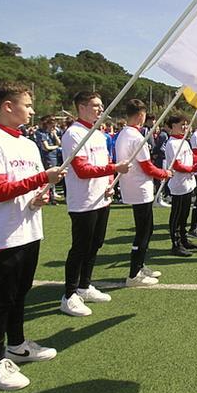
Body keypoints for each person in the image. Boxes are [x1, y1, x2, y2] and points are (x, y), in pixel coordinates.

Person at [0, 82, 65, 391]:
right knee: (1, 298)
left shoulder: (27, 143)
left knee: (21, 291)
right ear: (7, 106)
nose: (32, 110)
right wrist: (43, 179)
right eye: (27, 104)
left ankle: (16, 344)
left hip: (29, 228)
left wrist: (42, 193)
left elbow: (33, 186)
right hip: (5, 233)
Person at [59, 91, 130, 317]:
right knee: (80, 247)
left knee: (96, 244)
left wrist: (111, 181)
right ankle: (69, 295)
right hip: (83, 201)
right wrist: (114, 169)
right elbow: (81, 170)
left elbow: (105, 162)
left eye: (101, 105)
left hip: (102, 198)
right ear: (81, 107)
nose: (101, 109)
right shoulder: (74, 134)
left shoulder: (99, 134)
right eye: (95, 106)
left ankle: (84, 285)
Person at [115, 99, 172, 287]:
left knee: (147, 229)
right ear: (141, 115)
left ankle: (139, 266)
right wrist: (164, 173)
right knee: (143, 231)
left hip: (134, 186)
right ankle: (133, 274)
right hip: (140, 188)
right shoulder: (136, 136)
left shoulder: (124, 133)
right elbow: (147, 166)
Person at [164, 113, 197, 257]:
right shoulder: (172, 143)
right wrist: (191, 169)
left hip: (188, 184)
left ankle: (184, 239)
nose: (185, 127)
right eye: (182, 125)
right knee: (177, 215)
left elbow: (193, 159)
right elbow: (177, 165)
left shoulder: (184, 142)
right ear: (173, 126)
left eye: (186, 124)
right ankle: (175, 243)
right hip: (178, 185)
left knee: (184, 214)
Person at [34, 115, 61, 203]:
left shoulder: (50, 133)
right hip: (47, 157)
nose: (54, 127)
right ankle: (50, 197)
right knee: (49, 177)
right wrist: (56, 146)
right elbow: (46, 147)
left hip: (54, 157)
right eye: (52, 125)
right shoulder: (41, 133)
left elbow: (59, 143)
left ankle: (52, 194)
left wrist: (55, 135)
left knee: (55, 176)